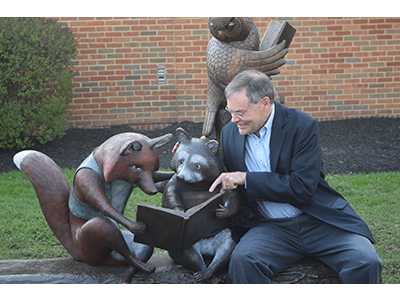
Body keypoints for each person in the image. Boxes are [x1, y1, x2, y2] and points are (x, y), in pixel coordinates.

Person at [207, 69, 382, 284]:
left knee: (365, 261)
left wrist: (247, 178)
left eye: (240, 112)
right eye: (230, 111)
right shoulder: (230, 133)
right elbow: (220, 172)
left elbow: (301, 187)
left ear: (264, 104)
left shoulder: (301, 126)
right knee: (243, 261)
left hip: (318, 220)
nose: (234, 120)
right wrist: (190, 152)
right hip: (271, 227)